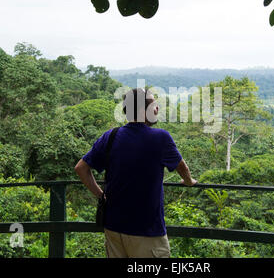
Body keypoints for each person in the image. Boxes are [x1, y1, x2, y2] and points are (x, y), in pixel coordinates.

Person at [74, 87, 197, 258]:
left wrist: (101, 196)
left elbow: (81, 168)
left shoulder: (110, 136)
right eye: (154, 104)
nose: (157, 108)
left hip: (113, 228)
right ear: (142, 110)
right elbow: (182, 168)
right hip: (147, 231)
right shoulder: (161, 138)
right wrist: (189, 181)